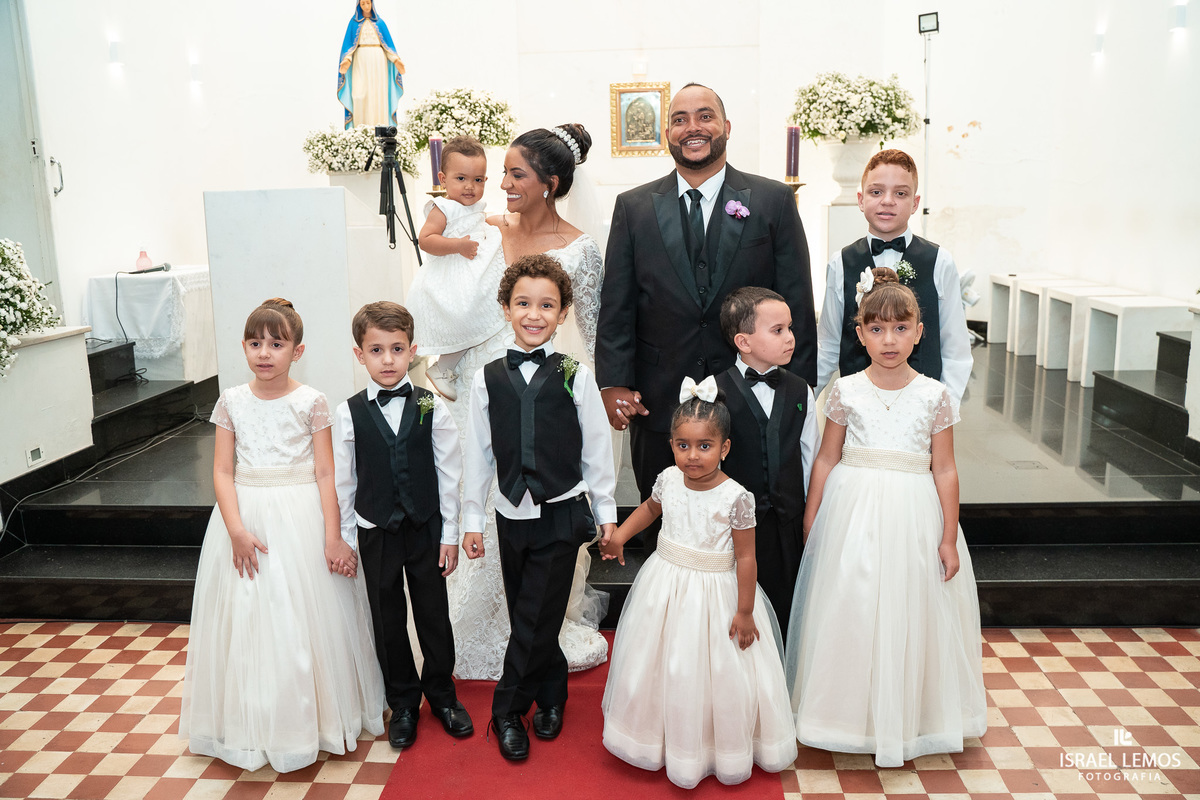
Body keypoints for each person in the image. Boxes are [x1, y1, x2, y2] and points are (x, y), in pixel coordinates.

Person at [596, 83, 816, 548]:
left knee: (748, 528)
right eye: (679, 119)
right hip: (658, 398)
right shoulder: (633, 208)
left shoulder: (772, 201)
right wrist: (613, 381)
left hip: (749, 393)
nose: (692, 127)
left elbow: (795, 299)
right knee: (670, 529)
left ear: (726, 127)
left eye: (705, 116)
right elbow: (617, 303)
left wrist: (797, 391)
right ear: (667, 134)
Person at [785, 268, 986, 768]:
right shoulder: (845, 390)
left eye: (901, 328)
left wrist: (946, 536)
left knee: (911, 608)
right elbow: (827, 458)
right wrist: (814, 516)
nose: (889, 340)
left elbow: (945, 468)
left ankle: (913, 716)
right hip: (852, 514)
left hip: (915, 514)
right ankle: (846, 715)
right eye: (876, 329)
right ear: (860, 334)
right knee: (851, 604)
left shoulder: (936, 395)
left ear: (920, 332)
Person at [180, 298, 385, 773]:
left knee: (302, 621)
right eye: (255, 343)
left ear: (298, 350)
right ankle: (249, 720)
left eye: (277, 343)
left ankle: (310, 721)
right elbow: (222, 471)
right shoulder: (230, 400)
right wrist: (236, 531)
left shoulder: (310, 401)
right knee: (249, 619)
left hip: (300, 518)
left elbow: (326, 473)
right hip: (244, 517)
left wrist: (334, 537)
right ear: (244, 348)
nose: (264, 352)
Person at [444, 123, 608, 683]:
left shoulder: (579, 247)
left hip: (543, 400)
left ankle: (530, 629)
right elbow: (451, 301)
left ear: (550, 183)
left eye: (516, 175)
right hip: (480, 385)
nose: (504, 185)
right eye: (504, 174)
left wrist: (595, 398)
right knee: (479, 493)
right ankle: (466, 619)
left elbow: (593, 329)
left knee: (527, 506)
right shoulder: (484, 231)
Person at [599, 377, 797, 789]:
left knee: (714, 673)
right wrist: (619, 534)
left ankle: (712, 746)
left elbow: (746, 558)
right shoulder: (668, 479)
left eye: (704, 446)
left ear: (724, 448)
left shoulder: (736, 498)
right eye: (682, 445)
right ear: (671, 444)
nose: (692, 456)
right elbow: (650, 510)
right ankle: (658, 739)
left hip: (717, 595)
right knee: (662, 664)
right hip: (666, 585)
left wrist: (744, 611)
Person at [461, 255, 617, 761]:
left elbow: (597, 447)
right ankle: (551, 696)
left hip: (562, 511)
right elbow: (479, 453)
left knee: (532, 616)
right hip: (510, 512)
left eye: (547, 305)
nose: (534, 314)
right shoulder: (487, 378)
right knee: (535, 613)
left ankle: (506, 710)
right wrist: (470, 520)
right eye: (523, 303)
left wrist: (607, 511)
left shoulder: (577, 374)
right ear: (506, 308)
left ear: (563, 311)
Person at [331, 302, 473, 750]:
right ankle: (404, 702)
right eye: (376, 350)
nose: (388, 359)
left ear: (412, 350)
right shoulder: (347, 412)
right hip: (375, 532)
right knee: (386, 618)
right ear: (360, 355)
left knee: (434, 614)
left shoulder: (432, 404)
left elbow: (451, 473)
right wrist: (350, 538)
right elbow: (343, 482)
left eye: (396, 349)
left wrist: (449, 534)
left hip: (426, 528)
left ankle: (443, 696)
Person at [815, 148, 972, 404]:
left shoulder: (940, 261)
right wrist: (804, 402)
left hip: (922, 403)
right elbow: (828, 345)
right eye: (876, 192)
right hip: (859, 403)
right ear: (861, 199)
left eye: (900, 193)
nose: (887, 201)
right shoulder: (840, 263)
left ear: (915, 204)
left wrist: (945, 409)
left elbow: (956, 349)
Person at [714, 287, 818, 635]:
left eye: (790, 328)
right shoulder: (712, 391)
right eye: (778, 331)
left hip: (787, 524)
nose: (790, 338)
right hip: (736, 528)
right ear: (743, 341)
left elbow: (810, 456)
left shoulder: (802, 390)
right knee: (739, 609)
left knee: (787, 610)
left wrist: (809, 516)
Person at [409, 137, 507, 401]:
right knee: (465, 315)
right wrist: (457, 246)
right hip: (450, 275)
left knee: (482, 311)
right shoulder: (443, 208)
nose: (470, 187)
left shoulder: (476, 209)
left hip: (470, 273)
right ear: (443, 178)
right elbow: (426, 240)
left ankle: (447, 366)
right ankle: (443, 366)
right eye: (461, 178)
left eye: (478, 180)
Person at [337, 0, 405, 129]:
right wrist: (347, 60)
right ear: (359, 5)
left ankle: (380, 129)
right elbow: (349, 46)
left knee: (378, 94)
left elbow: (387, 46)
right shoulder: (353, 24)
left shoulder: (380, 23)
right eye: (363, 4)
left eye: (368, 3)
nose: (366, 6)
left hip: (378, 61)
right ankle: (361, 130)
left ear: (372, 4)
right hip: (360, 60)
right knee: (359, 94)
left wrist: (396, 60)